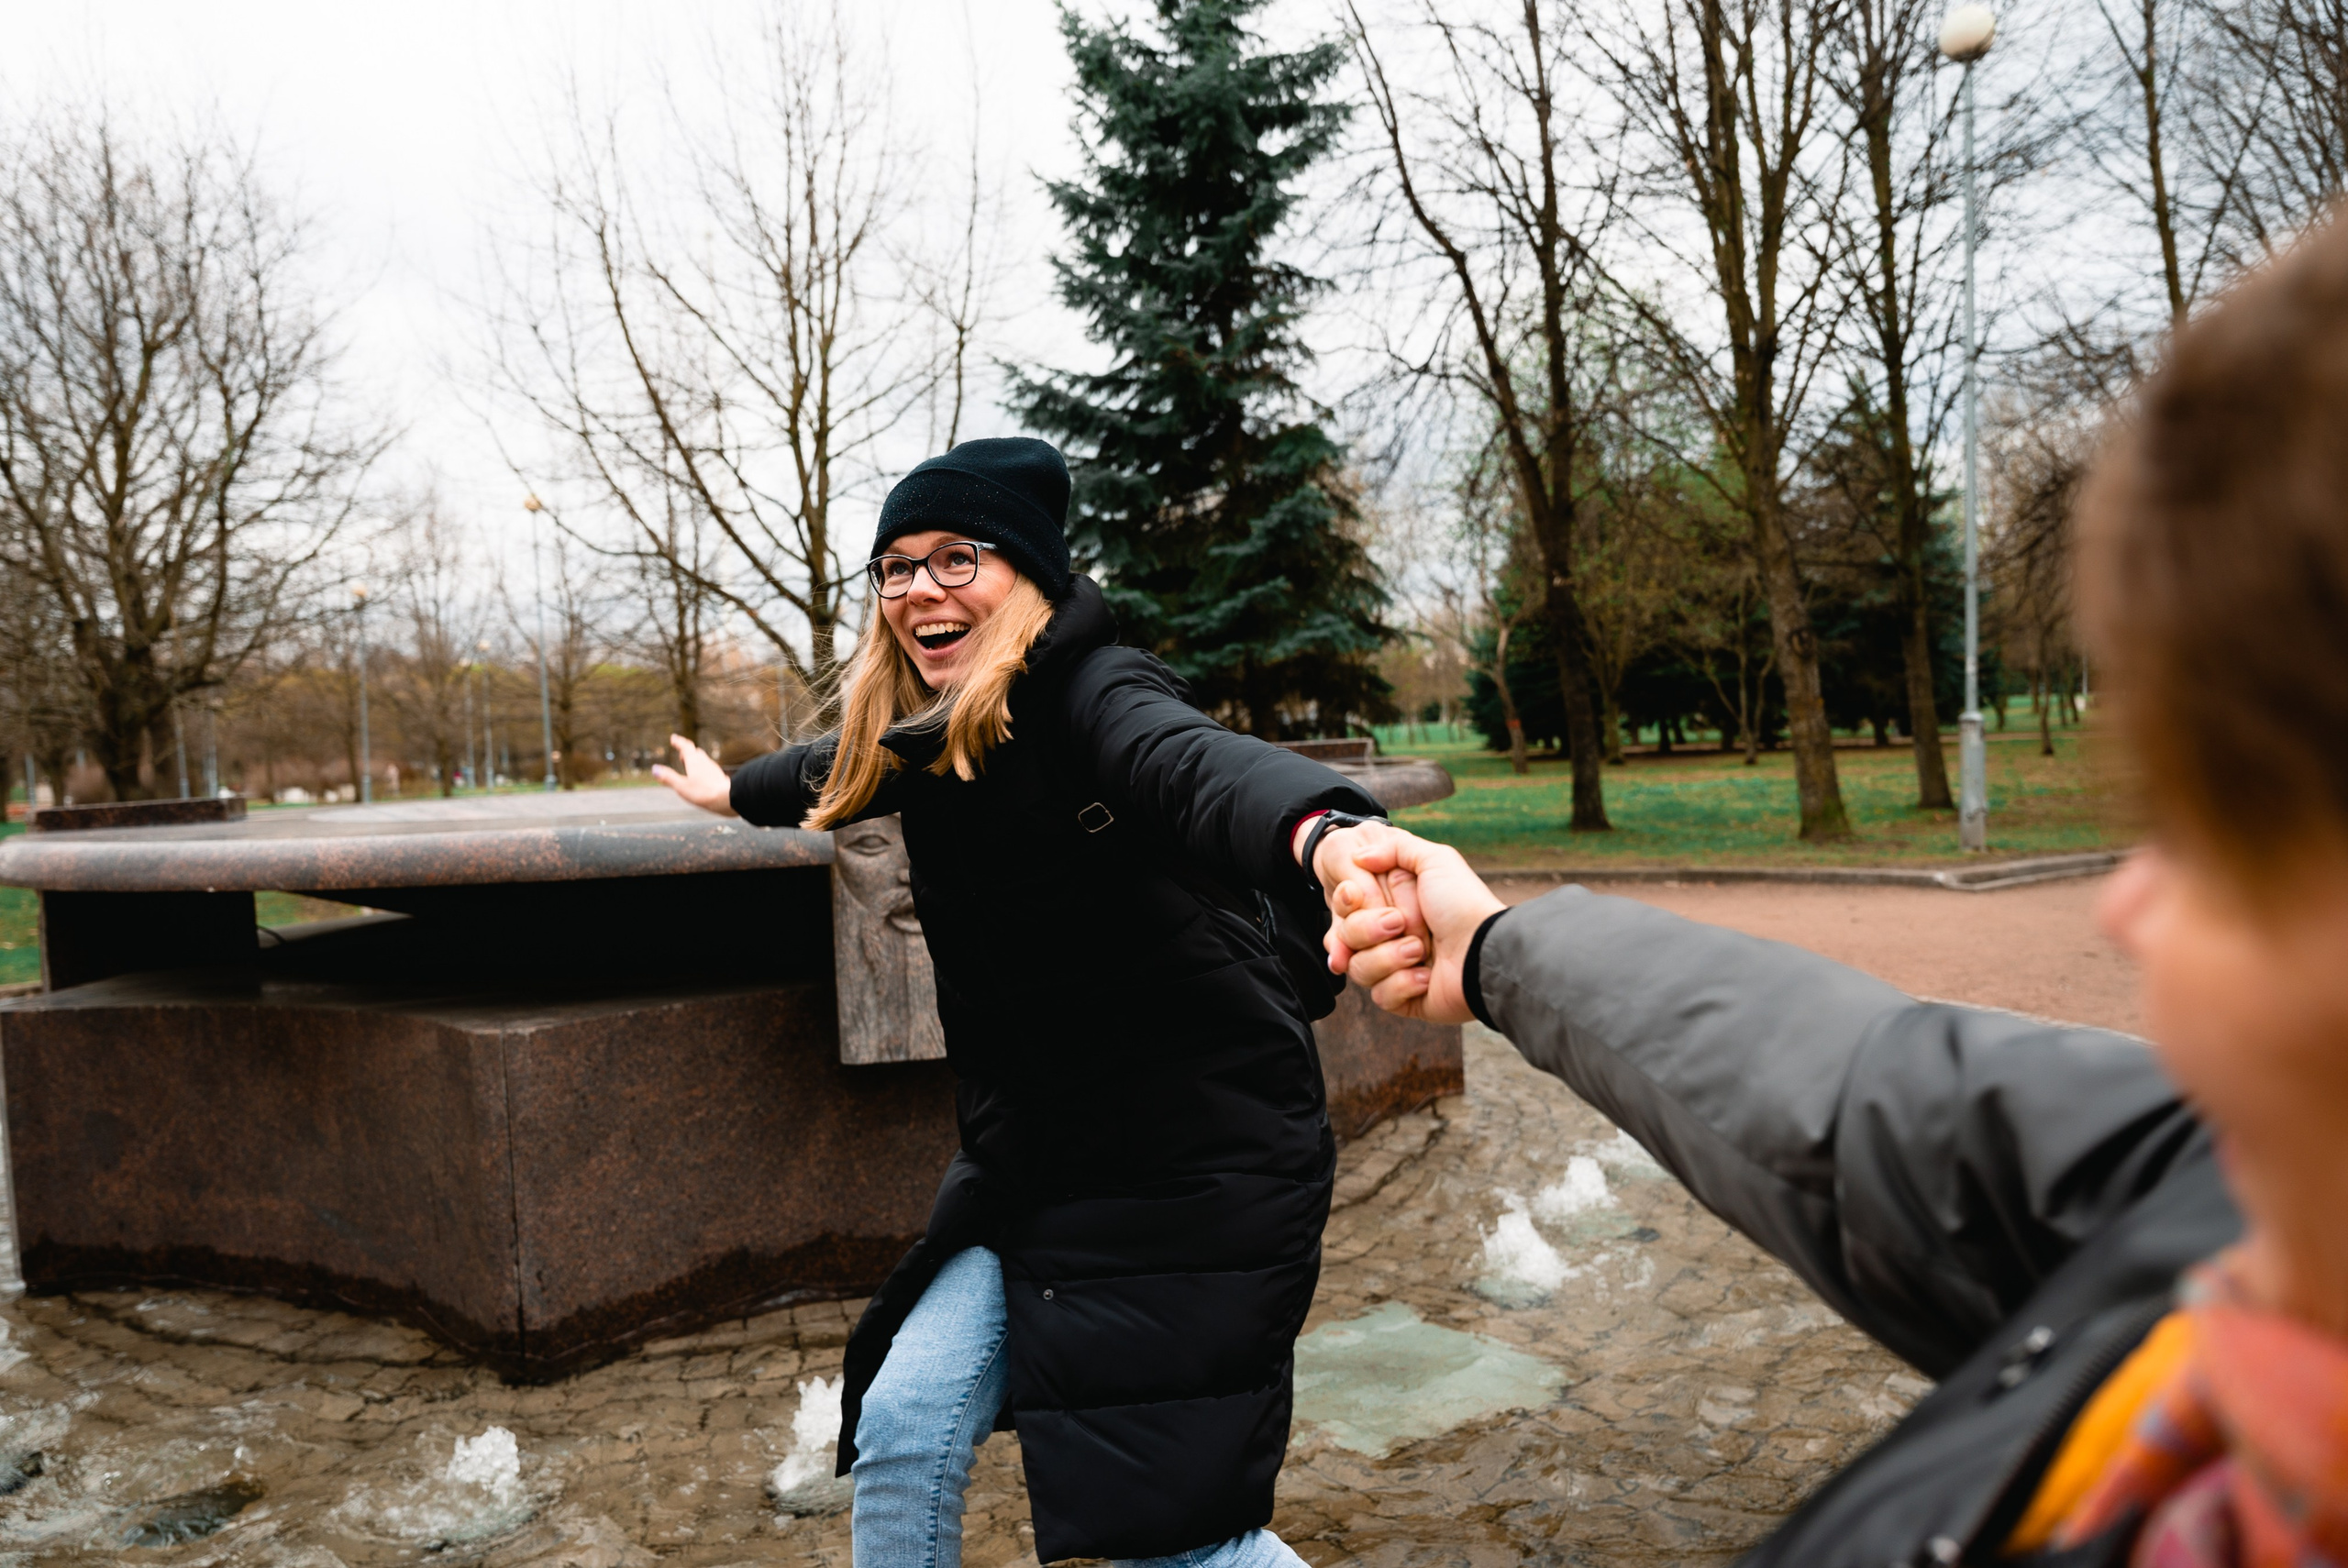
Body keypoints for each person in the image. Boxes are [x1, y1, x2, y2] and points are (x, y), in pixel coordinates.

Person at [1314, 219, 2348, 1565]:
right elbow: (1866, 1102)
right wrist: (1505, 949)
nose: (2128, 910)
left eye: (2234, 828)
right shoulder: (2241, 1212)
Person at [653, 436, 1385, 1568]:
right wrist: (724, 792)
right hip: (1035, 1164)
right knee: (900, 1430)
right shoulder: (935, 730)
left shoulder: (1095, 692)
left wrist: (1324, 834)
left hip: (1193, 1168)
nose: (919, 590)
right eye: (896, 566)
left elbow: (1196, 766)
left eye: (959, 557)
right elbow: (826, 770)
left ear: (1030, 576)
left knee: (1175, 1540)